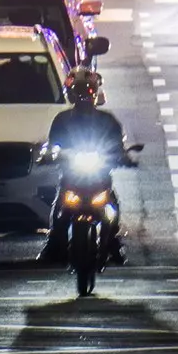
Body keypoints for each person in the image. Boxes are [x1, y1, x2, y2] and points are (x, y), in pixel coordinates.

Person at [41, 70, 133, 264]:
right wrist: (49, 156)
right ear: (72, 94)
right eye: (80, 91)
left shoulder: (107, 120)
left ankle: (112, 243)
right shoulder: (62, 119)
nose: (84, 96)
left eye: (88, 91)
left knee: (112, 205)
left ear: (95, 93)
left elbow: (118, 144)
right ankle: (54, 244)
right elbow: (52, 145)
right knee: (60, 208)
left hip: (99, 177)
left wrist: (123, 156)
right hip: (72, 177)